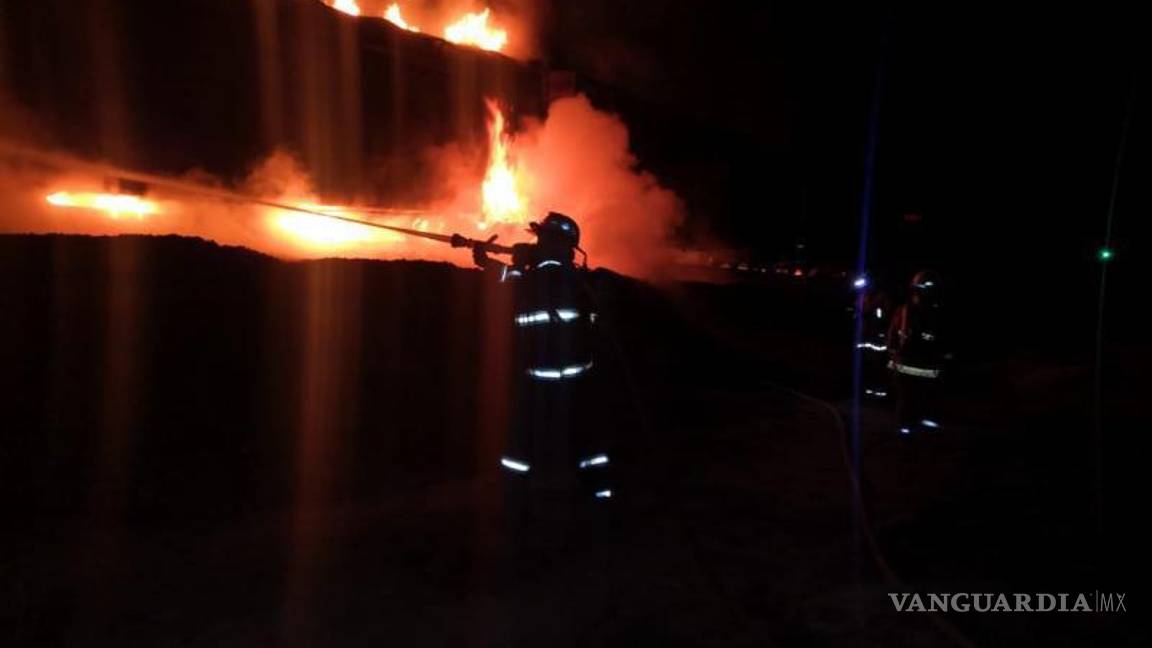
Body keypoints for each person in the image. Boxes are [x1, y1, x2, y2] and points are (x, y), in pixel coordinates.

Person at [466, 212, 613, 509]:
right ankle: (522, 496)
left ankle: (593, 499)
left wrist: (517, 263)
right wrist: (486, 260)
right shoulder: (574, 278)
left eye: (545, 238)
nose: (539, 243)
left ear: (563, 245)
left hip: (557, 383)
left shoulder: (564, 279)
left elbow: (525, 287)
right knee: (533, 444)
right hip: (560, 381)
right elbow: (510, 280)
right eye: (540, 238)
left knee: (567, 442)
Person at [887, 270, 947, 434]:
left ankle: (917, 421)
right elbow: (893, 336)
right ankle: (905, 425)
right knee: (907, 398)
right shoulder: (904, 311)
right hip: (906, 365)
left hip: (923, 366)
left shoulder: (936, 313)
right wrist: (893, 354)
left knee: (921, 397)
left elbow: (941, 339)